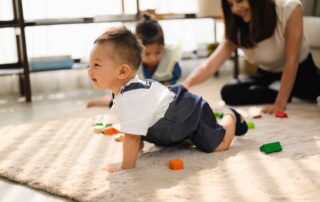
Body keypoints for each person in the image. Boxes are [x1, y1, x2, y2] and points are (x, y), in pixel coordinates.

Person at [88, 26, 248, 173]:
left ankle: (231, 116)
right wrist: (138, 146)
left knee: (218, 146)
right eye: (90, 65)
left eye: (96, 65)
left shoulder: (131, 99)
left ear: (123, 71)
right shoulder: (122, 93)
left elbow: (132, 136)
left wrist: (125, 166)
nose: (90, 71)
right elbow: (135, 127)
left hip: (191, 111)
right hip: (173, 113)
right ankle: (186, 135)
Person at [182, 0, 320, 114]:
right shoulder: (237, 26)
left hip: (300, 70)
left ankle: (285, 92)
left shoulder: (289, 7)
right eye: (230, 5)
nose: (235, 9)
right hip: (266, 73)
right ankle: (281, 90)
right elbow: (211, 64)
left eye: (239, 1)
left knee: (313, 91)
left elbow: (292, 59)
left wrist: (280, 103)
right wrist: (185, 85)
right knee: (229, 92)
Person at [86, 14, 182, 108]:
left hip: (161, 97)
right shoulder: (133, 66)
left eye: (158, 52)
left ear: (163, 47)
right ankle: (101, 101)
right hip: (139, 96)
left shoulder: (170, 61)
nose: (153, 58)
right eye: (147, 54)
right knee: (119, 103)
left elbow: (175, 83)